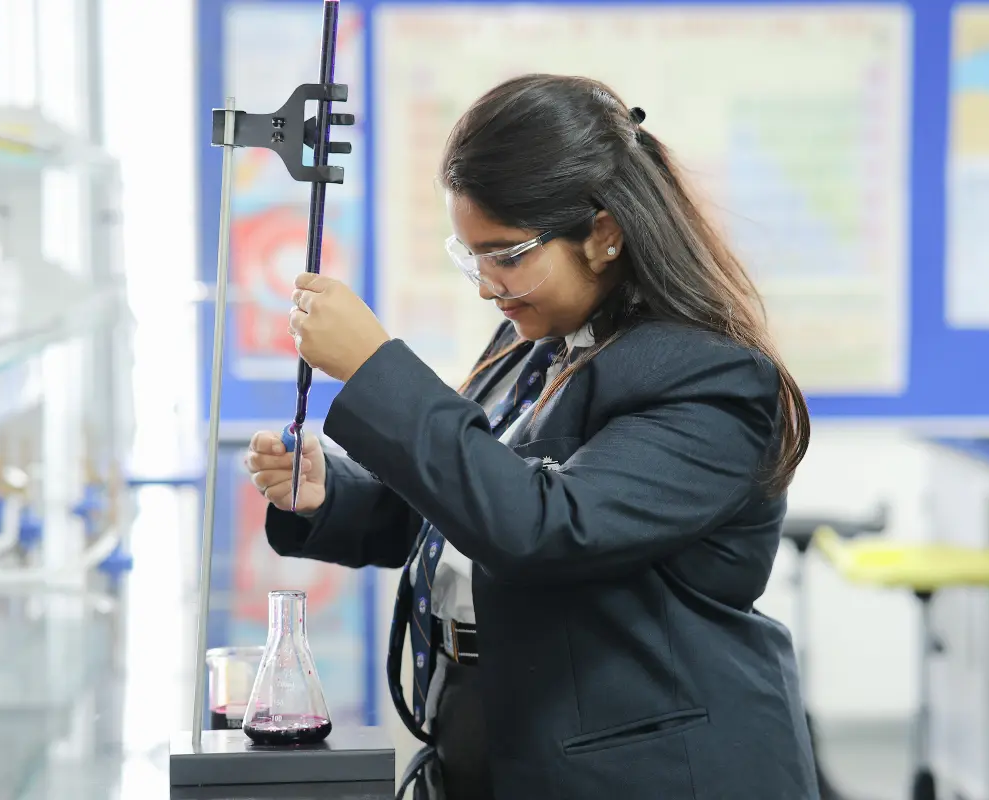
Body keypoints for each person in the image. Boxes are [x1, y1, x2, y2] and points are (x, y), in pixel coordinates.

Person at [245, 73, 818, 800]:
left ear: (604, 233)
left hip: (651, 770)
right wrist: (333, 493)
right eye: (471, 256)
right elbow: (464, 509)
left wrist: (373, 367)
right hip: (496, 729)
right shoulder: (535, 344)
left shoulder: (709, 378)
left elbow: (547, 527)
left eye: (508, 256)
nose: (487, 285)